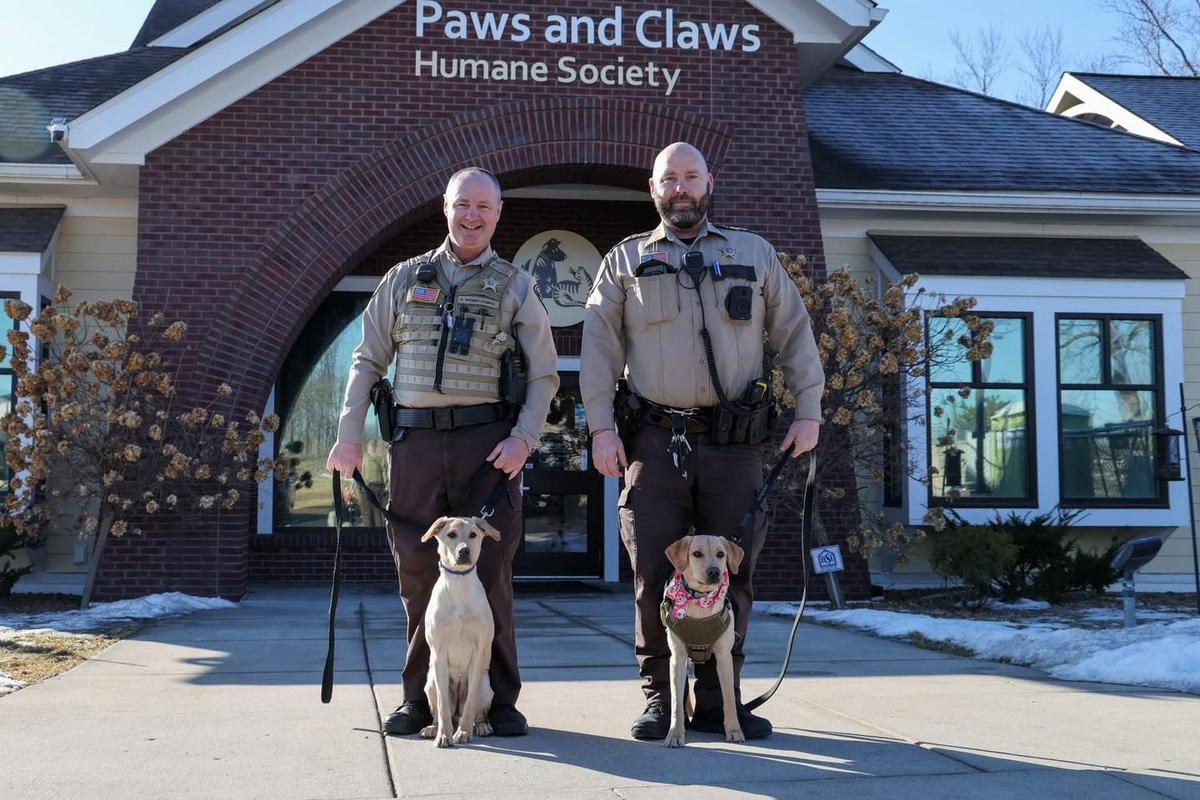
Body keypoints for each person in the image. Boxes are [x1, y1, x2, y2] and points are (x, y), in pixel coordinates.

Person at [580, 142, 824, 741]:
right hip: (654, 444)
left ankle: (721, 703)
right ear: (654, 187)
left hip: (734, 445)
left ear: (708, 182)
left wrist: (809, 411)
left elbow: (794, 334)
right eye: (670, 179)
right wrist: (602, 427)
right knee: (652, 577)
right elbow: (598, 350)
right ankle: (662, 700)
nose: (681, 188)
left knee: (732, 574)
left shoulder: (753, 253)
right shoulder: (625, 260)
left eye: (691, 176)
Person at [327, 167, 559, 737]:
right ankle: (418, 701)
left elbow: (545, 375)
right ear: (446, 208)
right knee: (415, 571)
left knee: (494, 573)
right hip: (416, 445)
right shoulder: (404, 279)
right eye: (463, 205)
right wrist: (349, 433)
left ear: (498, 213)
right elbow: (367, 361)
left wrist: (523, 439)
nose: (472, 215)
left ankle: (499, 702)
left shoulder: (516, 285)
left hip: (490, 447)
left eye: (484, 206)